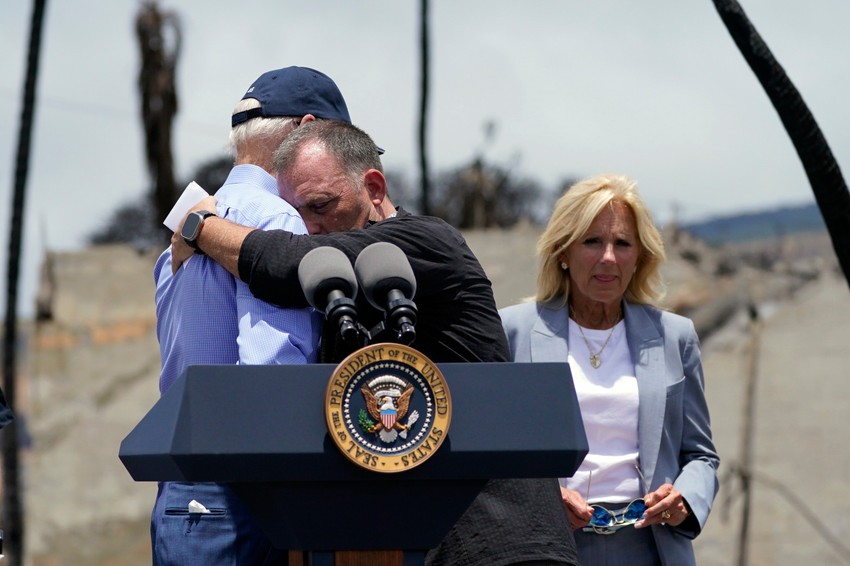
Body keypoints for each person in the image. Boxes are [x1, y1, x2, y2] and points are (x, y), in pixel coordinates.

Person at [170, 119, 581, 566]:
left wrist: (199, 226)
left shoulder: (426, 241)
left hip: (496, 540)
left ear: (374, 188)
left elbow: (288, 263)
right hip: (397, 541)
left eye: (321, 205)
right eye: (295, 216)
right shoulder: (333, 293)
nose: (309, 227)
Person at [151, 66, 357, 565]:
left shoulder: (181, 235)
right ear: (306, 130)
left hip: (182, 489)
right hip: (244, 493)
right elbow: (271, 380)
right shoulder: (277, 219)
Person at [499, 174, 719, 565]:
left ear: (640, 257)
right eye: (592, 242)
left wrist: (684, 498)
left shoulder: (675, 336)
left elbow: (701, 456)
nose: (608, 258)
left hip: (652, 546)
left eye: (622, 244)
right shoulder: (512, 331)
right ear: (563, 251)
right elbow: (494, 454)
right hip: (546, 544)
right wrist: (544, 498)